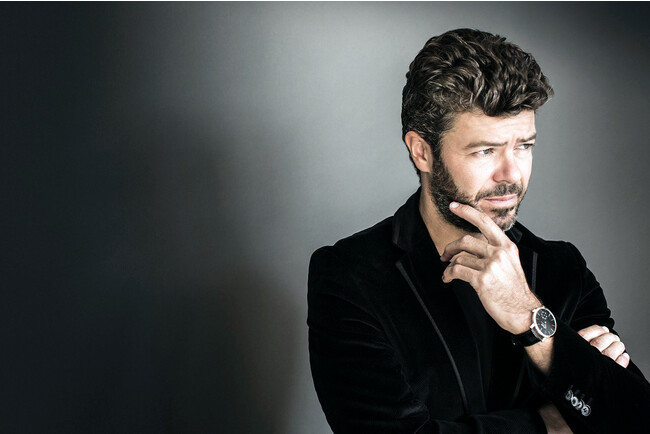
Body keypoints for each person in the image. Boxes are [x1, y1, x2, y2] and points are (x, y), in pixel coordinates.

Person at [308, 29, 650, 433]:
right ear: (422, 151)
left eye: (524, 146)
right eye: (485, 150)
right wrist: (547, 424)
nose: (511, 175)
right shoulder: (350, 277)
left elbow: (635, 422)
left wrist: (529, 317)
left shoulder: (563, 269)